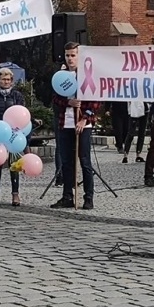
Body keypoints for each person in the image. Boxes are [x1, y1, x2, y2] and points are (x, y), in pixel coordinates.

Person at [52, 44, 101, 211]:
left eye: (73, 55)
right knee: (66, 162)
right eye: (67, 55)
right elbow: (56, 99)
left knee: (85, 161)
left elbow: (94, 102)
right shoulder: (62, 76)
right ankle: (67, 196)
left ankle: (88, 197)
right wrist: (68, 102)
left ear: (79, 56)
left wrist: (84, 119)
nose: (70, 58)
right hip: (65, 122)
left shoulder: (87, 76)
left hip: (82, 125)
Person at [0, 68, 28, 207]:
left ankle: (15, 194)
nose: (6, 82)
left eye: (9, 79)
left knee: (14, 165)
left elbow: (21, 114)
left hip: (13, 135)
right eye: (3, 79)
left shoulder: (17, 96)